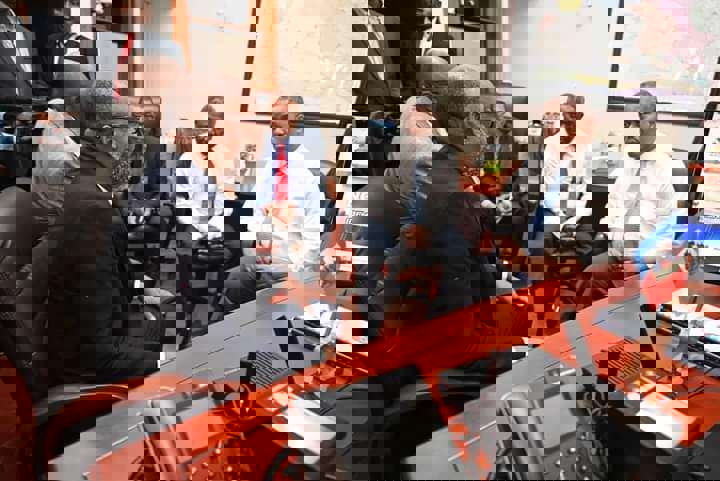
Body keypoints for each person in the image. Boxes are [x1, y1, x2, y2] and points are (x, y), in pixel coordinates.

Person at [575, 87, 688, 308]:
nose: (630, 130)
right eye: (627, 123)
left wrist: (637, 262)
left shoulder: (672, 169)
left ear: (653, 122)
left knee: (620, 308)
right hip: (617, 256)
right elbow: (614, 209)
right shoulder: (627, 163)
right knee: (580, 289)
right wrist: (612, 248)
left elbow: (675, 235)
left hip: (649, 265)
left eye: (637, 122)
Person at [224, 96, 324, 305]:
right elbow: (257, 215)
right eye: (272, 117)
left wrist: (292, 271)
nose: (272, 123)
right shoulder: (269, 167)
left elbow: (312, 236)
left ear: (298, 122)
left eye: (280, 117)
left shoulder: (310, 173)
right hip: (262, 259)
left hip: (290, 267)